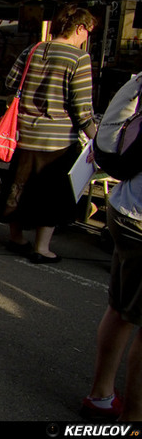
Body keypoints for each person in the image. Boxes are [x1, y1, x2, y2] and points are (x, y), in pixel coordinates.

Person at [2, 4, 97, 263]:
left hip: (23, 133)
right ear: (79, 28)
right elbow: (81, 106)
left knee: (19, 186)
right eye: (87, 31)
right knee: (50, 193)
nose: (87, 37)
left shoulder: (32, 49)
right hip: (58, 139)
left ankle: (16, 237)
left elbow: (10, 83)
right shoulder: (79, 59)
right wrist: (94, 135)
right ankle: (41, 247)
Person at [81, 90, 142, 420]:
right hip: (140, 217)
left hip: (125, 206)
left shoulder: (138, 80)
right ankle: (132, 419)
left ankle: (100, 394)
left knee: (119, 309)